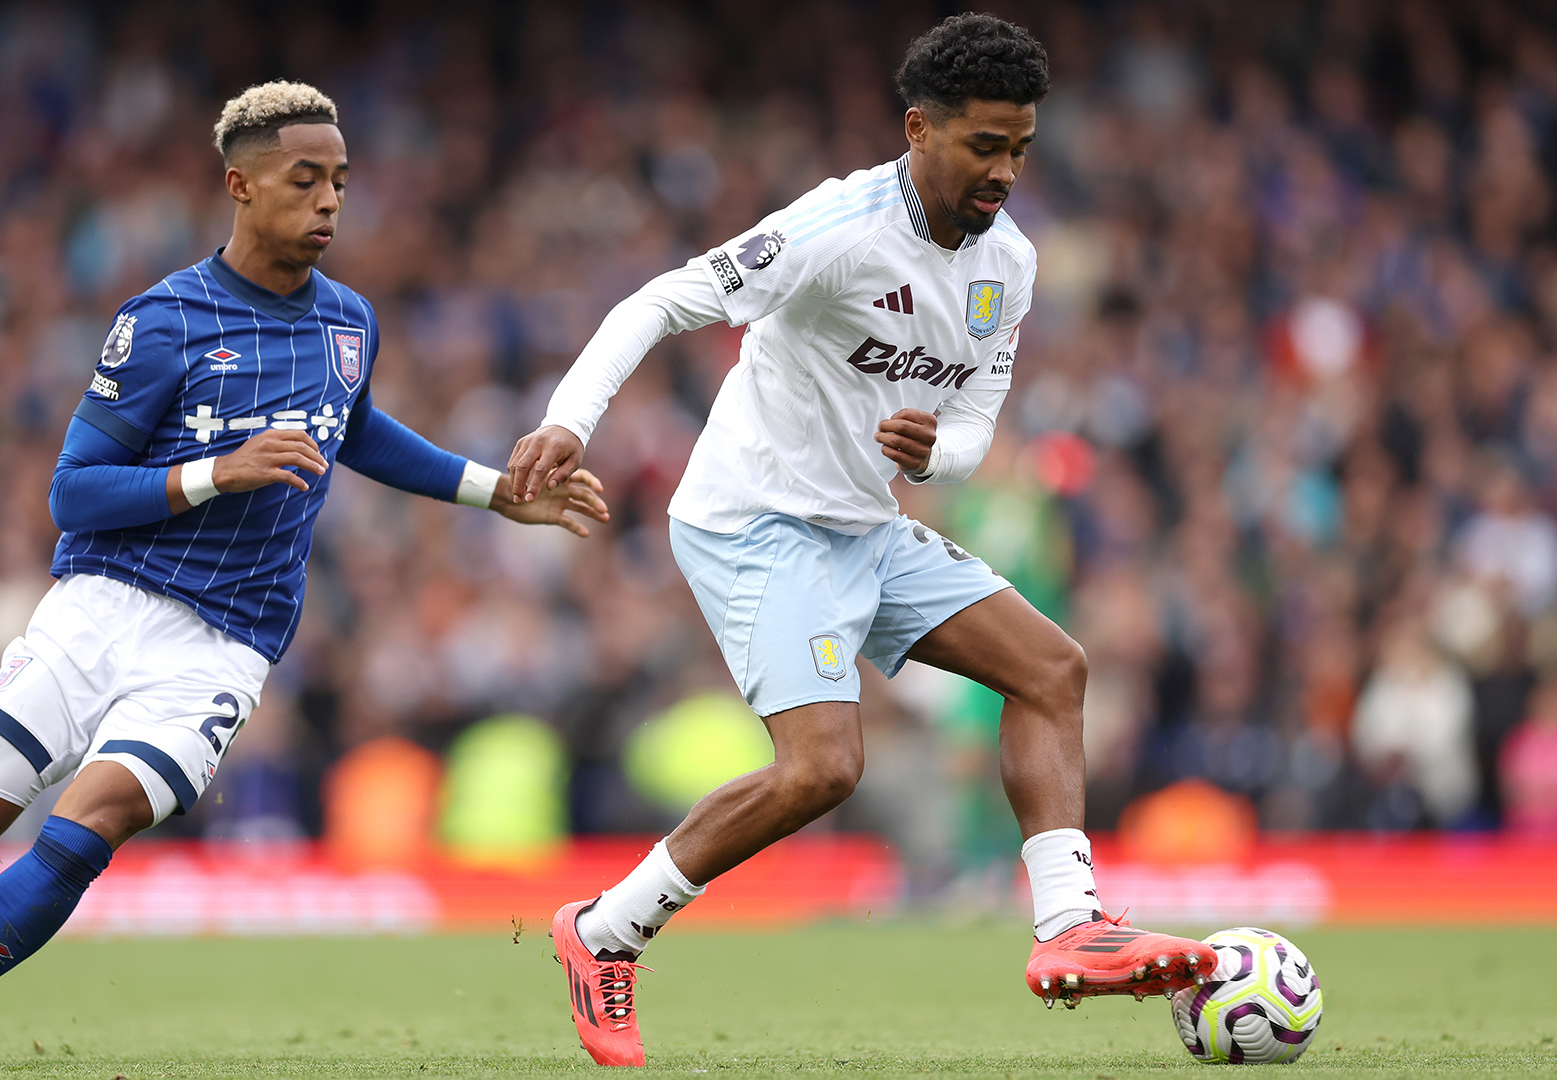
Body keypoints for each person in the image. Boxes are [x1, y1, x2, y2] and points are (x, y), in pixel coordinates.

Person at [0, 81, 610, 1070]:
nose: (331, 200)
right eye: (306, 180)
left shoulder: (349, 323)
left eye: (340, 181)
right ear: (241, 187)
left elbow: (356, 429)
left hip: (225, 641)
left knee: (94, 822)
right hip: (102, 604)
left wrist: (490, 490)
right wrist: (216, 473)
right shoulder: (162, 321)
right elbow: (74, 493)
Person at [506, 14, 1209, 1067]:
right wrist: (570, 420)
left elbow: (977, 420)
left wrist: (937, 456)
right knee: (824, 768)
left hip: (864, 526)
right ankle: (603, 931)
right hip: (755, 522)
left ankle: (1069, 928)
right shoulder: (834, 228)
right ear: (919, 129)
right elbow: (659, 302)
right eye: (983, 145)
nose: (1005, 171)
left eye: (1020, 147)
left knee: (1053, 669)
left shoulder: (1007, 264)